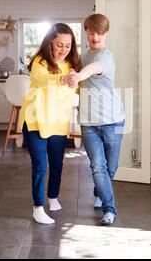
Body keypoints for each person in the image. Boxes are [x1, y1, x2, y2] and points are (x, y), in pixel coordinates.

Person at [20, 23, 81, 224]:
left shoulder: (73, 65)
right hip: (36, 120)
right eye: (59, 45)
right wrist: (63, 79)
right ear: (49, 43)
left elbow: (76, 90)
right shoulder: (40, 61)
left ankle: (53, 197)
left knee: (57, 164)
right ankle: (37, 208)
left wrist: (75, 82)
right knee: (40, 166)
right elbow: (41, 80)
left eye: (68, 45)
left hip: (58, 121)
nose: (64, 49)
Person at [66, 14, 125, 226]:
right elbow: (75, 76)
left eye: (99, 32)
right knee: (98, 167)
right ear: (86, 32)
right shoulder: (83, 57)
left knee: (111, 168)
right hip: (89, 122)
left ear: (105, 33)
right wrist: (71, 78)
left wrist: (79, 76)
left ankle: (100, 190)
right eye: (91, 32)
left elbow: (93, 69)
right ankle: (109, 210)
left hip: (114, 121)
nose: (95, 36)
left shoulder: (105, 57)